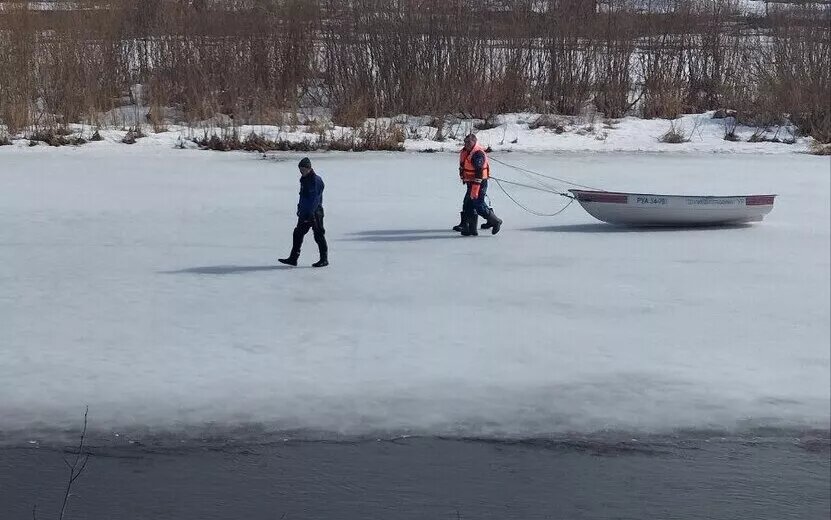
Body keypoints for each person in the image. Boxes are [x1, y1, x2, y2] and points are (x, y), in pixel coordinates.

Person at [278, 157, 329, 268]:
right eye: (300, 169)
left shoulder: (316, 181)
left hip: (315, 213)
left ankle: (324, 259)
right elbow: (303, 197)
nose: (301, 172)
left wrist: (310, 213)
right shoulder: (303, 179)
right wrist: (300, 209)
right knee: (297, 234)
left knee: (319, 235)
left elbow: (315, 199)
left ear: (309, 168)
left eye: (303, 169)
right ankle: (293, 258)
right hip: (304, 212)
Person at [457, 134, 502, 236]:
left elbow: (479, 172)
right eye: (465, 142)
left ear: (474, 142)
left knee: (478, 204)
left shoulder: (477, 154)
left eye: (469, 142)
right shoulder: (466, 151)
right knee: (468, 204)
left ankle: (495, 221)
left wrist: (475, 188)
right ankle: (470, 228)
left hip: (479, 183)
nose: (466, 144)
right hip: (470, 182)